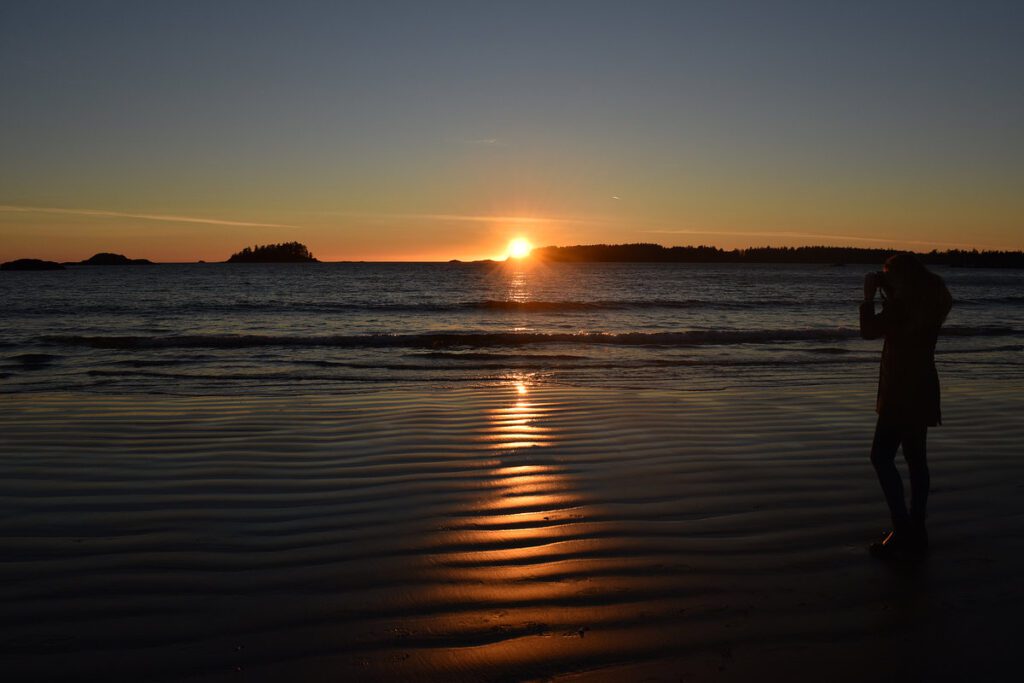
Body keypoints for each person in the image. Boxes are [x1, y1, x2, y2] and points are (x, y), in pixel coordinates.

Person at [860, 253, 952, 557]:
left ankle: (902, 529)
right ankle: (917, 528)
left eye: (889, 274)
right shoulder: (931, 301)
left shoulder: (901, 306)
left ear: (901, 277)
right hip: (923, 385)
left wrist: (869, 297)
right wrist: (890, 292)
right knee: (916, 460)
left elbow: (870, 331)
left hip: (900, 389)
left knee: (881, 456)